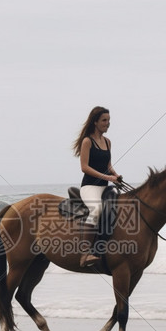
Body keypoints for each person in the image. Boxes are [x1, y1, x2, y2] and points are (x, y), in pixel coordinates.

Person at [72, 106, 122, 267]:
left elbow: (107, 164)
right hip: (90, 187)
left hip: (105, 186)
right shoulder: (87, 141)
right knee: (96, 209)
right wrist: (108, 177)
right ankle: (85, 254)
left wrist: (116, 176)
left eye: (109, 121)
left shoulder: (108, 142)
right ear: (95, 122)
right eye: (104, 120)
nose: (107, 124)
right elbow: (84, 167)